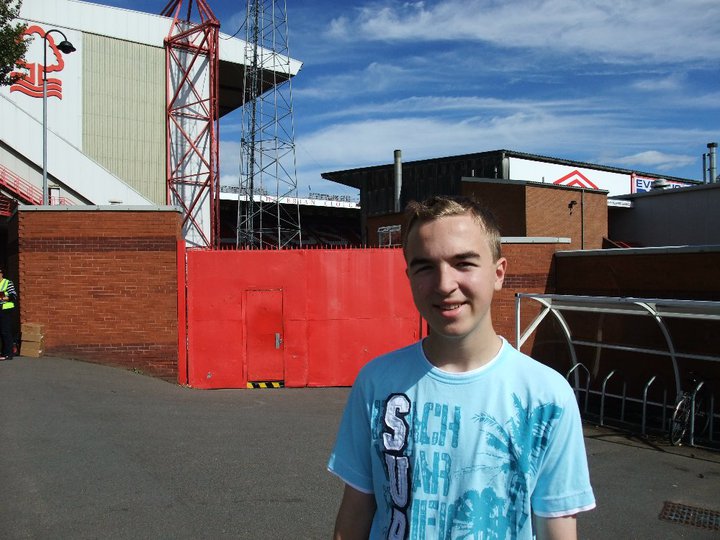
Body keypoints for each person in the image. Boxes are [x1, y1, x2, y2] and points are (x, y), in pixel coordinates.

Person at [328, 195, 595, 540]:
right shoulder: (376, 382)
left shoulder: (546, 396)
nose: (444, 284)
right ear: (409, 277)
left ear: (498, 273)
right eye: (425, 266)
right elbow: (356, 511)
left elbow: (557, 528)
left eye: (463, 263)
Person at [0, 267, 17, 360]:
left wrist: (2, 298)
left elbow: (13, 296)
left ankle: (8, 354)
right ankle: (3, 352)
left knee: (5, 331)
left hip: (6, 309)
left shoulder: (7, 282)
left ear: (2, 273)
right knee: (1, 331)